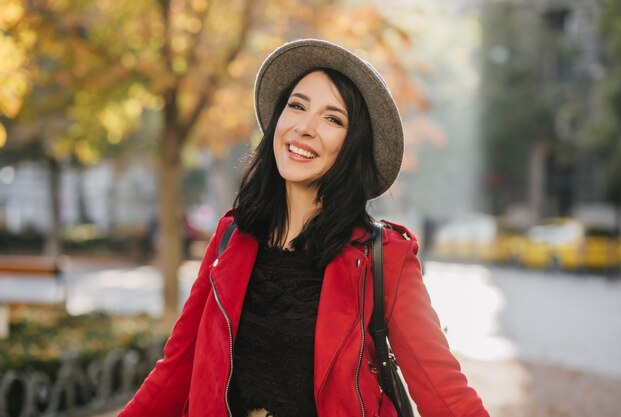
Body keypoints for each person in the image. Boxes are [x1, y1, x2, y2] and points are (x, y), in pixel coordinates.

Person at [119, 39, 489, 417]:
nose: (304, 127)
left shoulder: (385, 258)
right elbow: (175, 370)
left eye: (333, 118)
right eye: (296, 106)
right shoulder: (231, 237)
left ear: (352, 147)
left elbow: (446, 396)